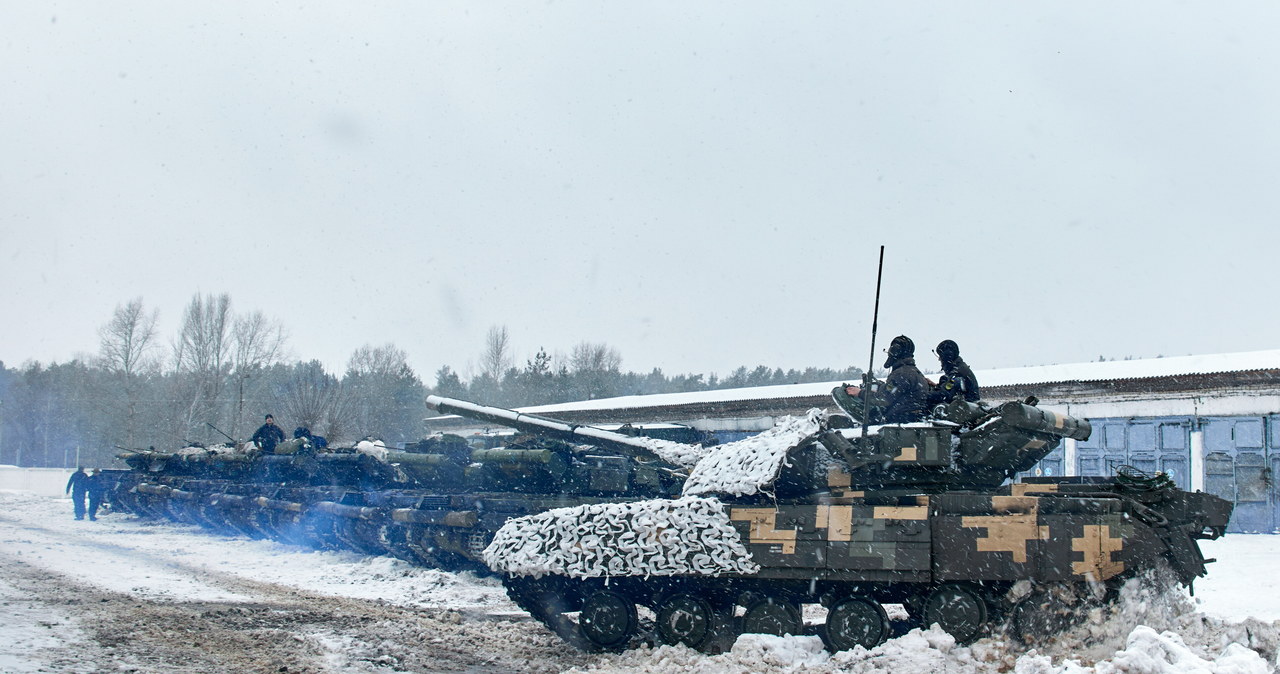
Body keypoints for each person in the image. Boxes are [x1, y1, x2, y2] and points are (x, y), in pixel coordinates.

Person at [881, 335, 931, 423]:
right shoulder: (915, 372)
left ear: (894, 352)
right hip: (911, 420)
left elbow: (884, 399)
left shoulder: (901, 374)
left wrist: (860, 393)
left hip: (899, 422)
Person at [929, 339, 981, 404]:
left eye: (941, 357)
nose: (939, 359)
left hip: (963, 411)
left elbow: (944, 394)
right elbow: (948, 387)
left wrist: (926, 394)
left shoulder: (957, 373)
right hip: (966, 408)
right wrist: (935, 386)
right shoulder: (960, 368)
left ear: (946, 357)